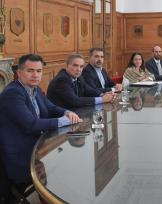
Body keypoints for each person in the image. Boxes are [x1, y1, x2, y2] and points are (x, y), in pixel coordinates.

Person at [0, 54, 81, 199]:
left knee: (69, 160)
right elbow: (31, 124)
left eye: (39, 71)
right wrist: (64, 121)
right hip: (21, 155)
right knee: (65, 165)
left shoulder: (35, 90)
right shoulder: (13, 93)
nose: (35, 75)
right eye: (30, 71)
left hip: (37, 146)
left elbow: (51, 108)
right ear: (19, 73)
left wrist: (67, 112)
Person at [47, 53, 115, 109]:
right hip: (61, 116)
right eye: (75, 66)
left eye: (81, 66)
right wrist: (102, 99)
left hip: (75, 112)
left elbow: (88, 90)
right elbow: (75, 101)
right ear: (67, 66)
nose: (78, 69)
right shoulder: (62, 80)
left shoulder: (78, 76)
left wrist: (103, 94)